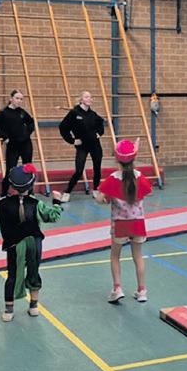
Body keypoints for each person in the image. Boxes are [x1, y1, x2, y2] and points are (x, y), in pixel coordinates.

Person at [0, 164, 63, 322]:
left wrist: (5, 198)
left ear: (11, 185)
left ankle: (9, 310)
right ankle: (34, 306)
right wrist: (57, 202)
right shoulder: (36, 204)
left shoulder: (1, 204)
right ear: (31, 186)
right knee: (34, 272)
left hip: (13, 245)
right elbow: (53, 216)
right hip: (34, 243)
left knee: (13, 275)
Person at [94, 139, 153, 304]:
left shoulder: (113, 179)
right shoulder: (139, 177)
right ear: (134, 158)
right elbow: (147, 191)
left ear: (116, 158)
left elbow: (99, 198)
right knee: (138, 256)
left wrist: (106, 198)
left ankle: (117, 288)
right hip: (138, 222)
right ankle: (142, 290)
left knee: (115, 256)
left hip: (120, 224)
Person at [58, 91, 105, 202]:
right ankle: (67, 192)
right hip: (82, 146)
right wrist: (72, 140)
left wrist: (99, 133)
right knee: (79, 170)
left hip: (95, 145)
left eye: (91, 97)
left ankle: (96, 190)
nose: (89, 99)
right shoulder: (74, 113)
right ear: (81, 99)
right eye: (87, 97)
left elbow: (101, 122)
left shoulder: (93, 114)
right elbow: (63, 127)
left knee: (97, 168)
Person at [0, 90, 35, 197]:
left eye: (21, 99)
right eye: (17, 98)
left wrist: (27, 134)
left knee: (28, 167)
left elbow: (31, 123)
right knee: (10, 169)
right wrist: (3, 136)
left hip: (26, 144)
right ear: (11, 99)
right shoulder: (3, 113)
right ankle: (4, 194)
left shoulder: (22, 112)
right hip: (13, 145)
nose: (19, 101)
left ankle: (29, 193)